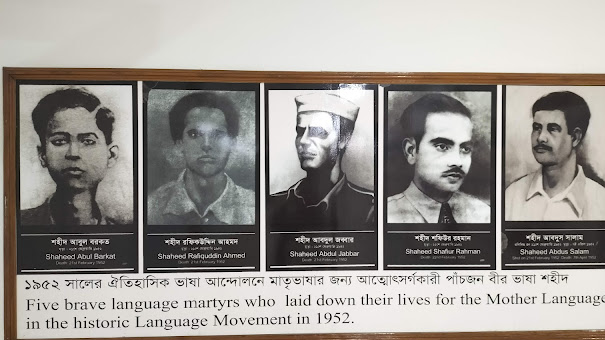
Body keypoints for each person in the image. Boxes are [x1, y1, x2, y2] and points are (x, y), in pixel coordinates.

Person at [268, 92, 374, 230]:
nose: (304, 141)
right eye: (300, 132)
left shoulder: (369, 209)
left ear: (343, 139)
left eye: (318, 132)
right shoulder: (273, 204)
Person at [21, 87, 125, 225]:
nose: (73, 153)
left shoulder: (122, 230)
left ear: (111, 155)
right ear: (42, 155)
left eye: (88, 141)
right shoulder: (20, 223)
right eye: (60, 141)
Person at [147, 91, 254, 225]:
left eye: (218, 135)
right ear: (180, 143)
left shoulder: (254, 208)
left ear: (232, 143)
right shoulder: (151, 207)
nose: (206, 145)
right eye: (194, 134)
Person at [504, 91, 605, 221]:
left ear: (575, 138)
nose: (541, 137)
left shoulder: (603, 203)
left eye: (552, 129)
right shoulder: (512, 196)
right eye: (537, 128)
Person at [387, 93, 490, 224]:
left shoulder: (484, 215)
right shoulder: (386, 215)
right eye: (442, 146)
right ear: (411, 151)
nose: (457, 162)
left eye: (465, 149)